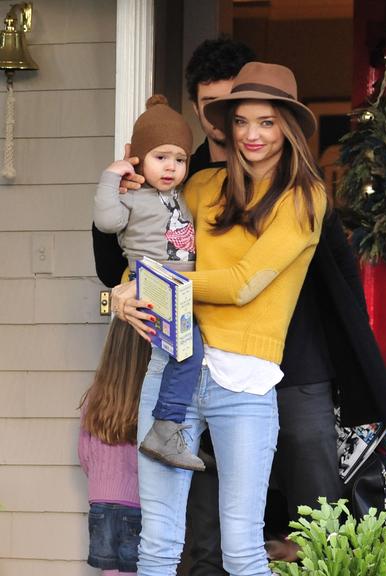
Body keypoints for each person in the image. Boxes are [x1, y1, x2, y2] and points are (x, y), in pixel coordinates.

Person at [111, 61, 327, 576]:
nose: (252, 134)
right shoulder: (201, 186)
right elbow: (148, 251)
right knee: (158, 545)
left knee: (243, 550)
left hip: (245, 383)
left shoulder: (304, 198)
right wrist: (122, 290)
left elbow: (241, 283)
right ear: (227, 126)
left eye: (268, 122)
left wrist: (148, 285)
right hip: (172, 370)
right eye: (242, 121)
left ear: (289, 128)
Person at [93, 95, 206, 472]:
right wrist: (113, 175)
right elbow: (107, 222)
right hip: (153, 283)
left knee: (181, 355)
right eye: (161, 157)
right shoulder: (134, 197)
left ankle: (174, 430)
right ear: (140, 159)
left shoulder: (176, 197)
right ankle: (166, 426)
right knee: (188, 352)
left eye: (180, 158)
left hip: (177, 287)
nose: (172, 166)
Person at [78, 318, 149, 576]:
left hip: (100, 503)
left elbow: (85, 453)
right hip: (137, 503)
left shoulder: (95, 395)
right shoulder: (148, 395)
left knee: (110, 573)